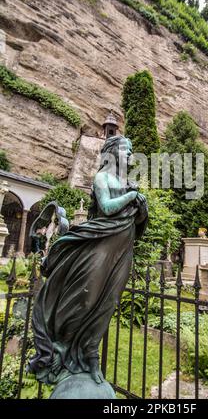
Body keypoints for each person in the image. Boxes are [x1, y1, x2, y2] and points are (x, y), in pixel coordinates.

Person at [28, 136, 148, 385]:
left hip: (122, 251)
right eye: (127, 150)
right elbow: (106, 207)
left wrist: (141, 207)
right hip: (100, 249)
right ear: (113, 152)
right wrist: (131, 196)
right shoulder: (102, 177)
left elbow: (136, 222)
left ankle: (91, 358)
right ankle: (61, 352)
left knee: (108, 304)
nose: (130, 156)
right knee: (86, 299)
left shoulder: (127, 182)